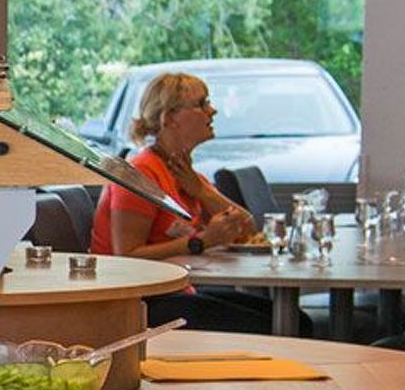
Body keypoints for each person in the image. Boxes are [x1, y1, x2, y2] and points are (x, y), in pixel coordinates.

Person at [90, 70, 292, 334]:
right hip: (137, 302)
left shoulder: (183, 172)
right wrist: (201, 241)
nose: (213, 111)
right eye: (202, 104)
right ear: (170, 117)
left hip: (175, 290)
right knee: (273, 324)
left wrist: (202, 192)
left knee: (291, 318)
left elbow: (248, 227)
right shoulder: (141, 174)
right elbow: (126, 255)